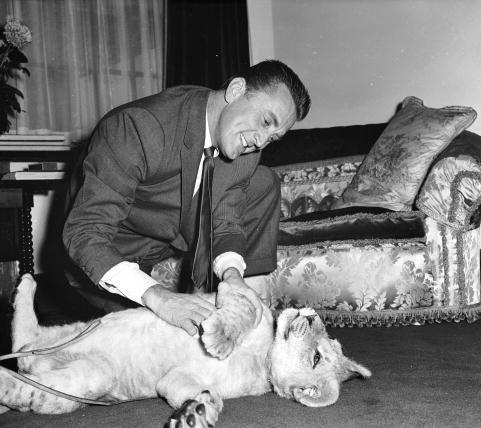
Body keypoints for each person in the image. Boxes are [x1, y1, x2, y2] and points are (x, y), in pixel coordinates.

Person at [63, 60, 310, 336]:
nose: (261, 142)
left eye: (273, 138)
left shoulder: (245, 148)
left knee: (263, 181)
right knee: (156, 349)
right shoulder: (137, 127)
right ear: (236, 89)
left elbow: (225, 219)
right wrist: (158, 296)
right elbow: (85, 233)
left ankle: (242, 301)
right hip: (112, 250)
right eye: (265, 121)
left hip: (169, 235)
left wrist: (232, 275)